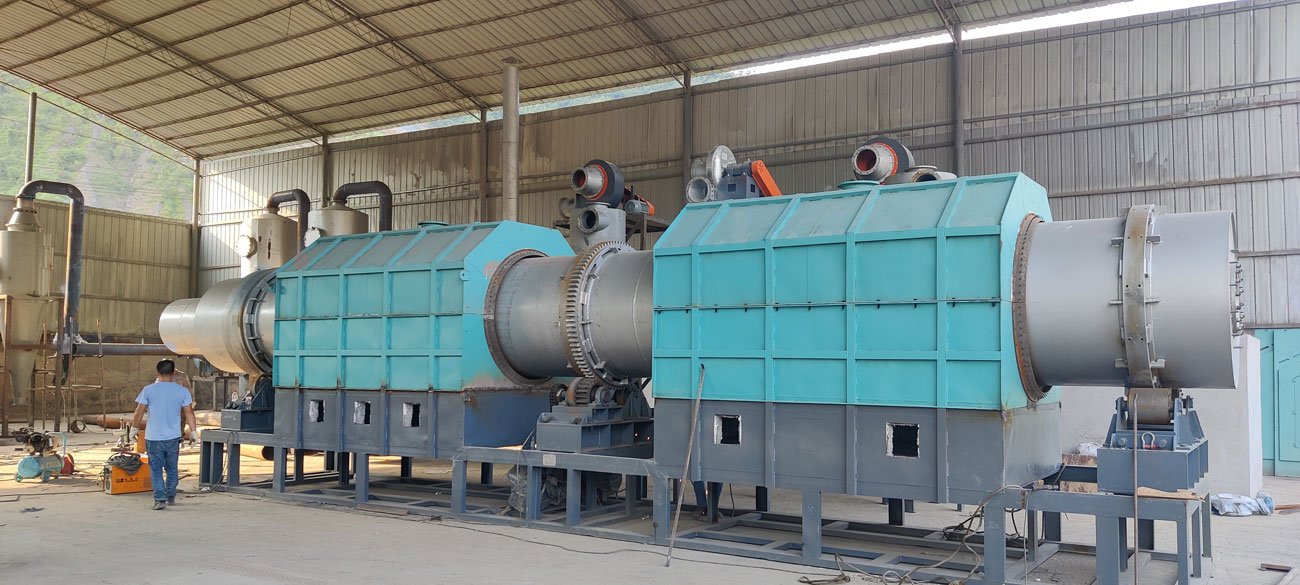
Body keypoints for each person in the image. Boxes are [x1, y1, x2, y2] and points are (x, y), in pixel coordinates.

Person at [132, 359, 198, 510]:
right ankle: (170, 496)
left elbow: (139, 411)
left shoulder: (148, 390)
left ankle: (160, 499)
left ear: (157, 373)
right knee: (172, 468)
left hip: (153, 437)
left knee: (156, 469)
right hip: (173, 437)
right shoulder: (182, 391)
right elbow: (189, 412)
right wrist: (194, 432)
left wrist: (134, 428)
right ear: (174, 372)